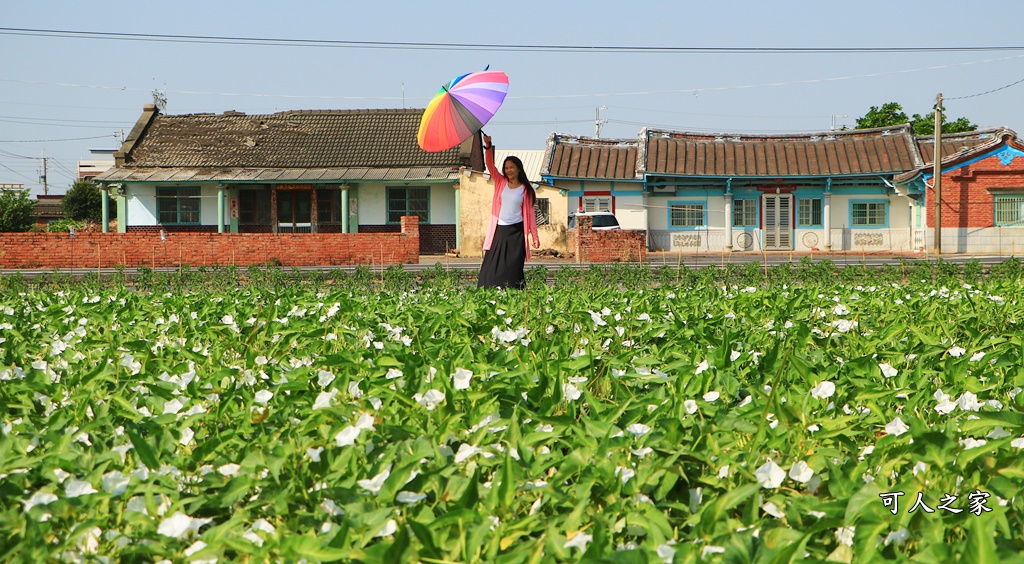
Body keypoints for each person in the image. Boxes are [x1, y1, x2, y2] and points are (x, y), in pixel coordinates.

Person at [477, 133, 540, 289]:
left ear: (518, 169)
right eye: (506, 168)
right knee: (491, 267)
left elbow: (530, 215)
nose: (509, 170)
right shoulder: (500, 182)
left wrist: (535, 236)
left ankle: (515, 295)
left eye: (512, 167)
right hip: (500, 230)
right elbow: (490, 166)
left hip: (517, 232)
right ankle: (489, 293)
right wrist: (488, 146)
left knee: (513, 268)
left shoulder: (526, 190)